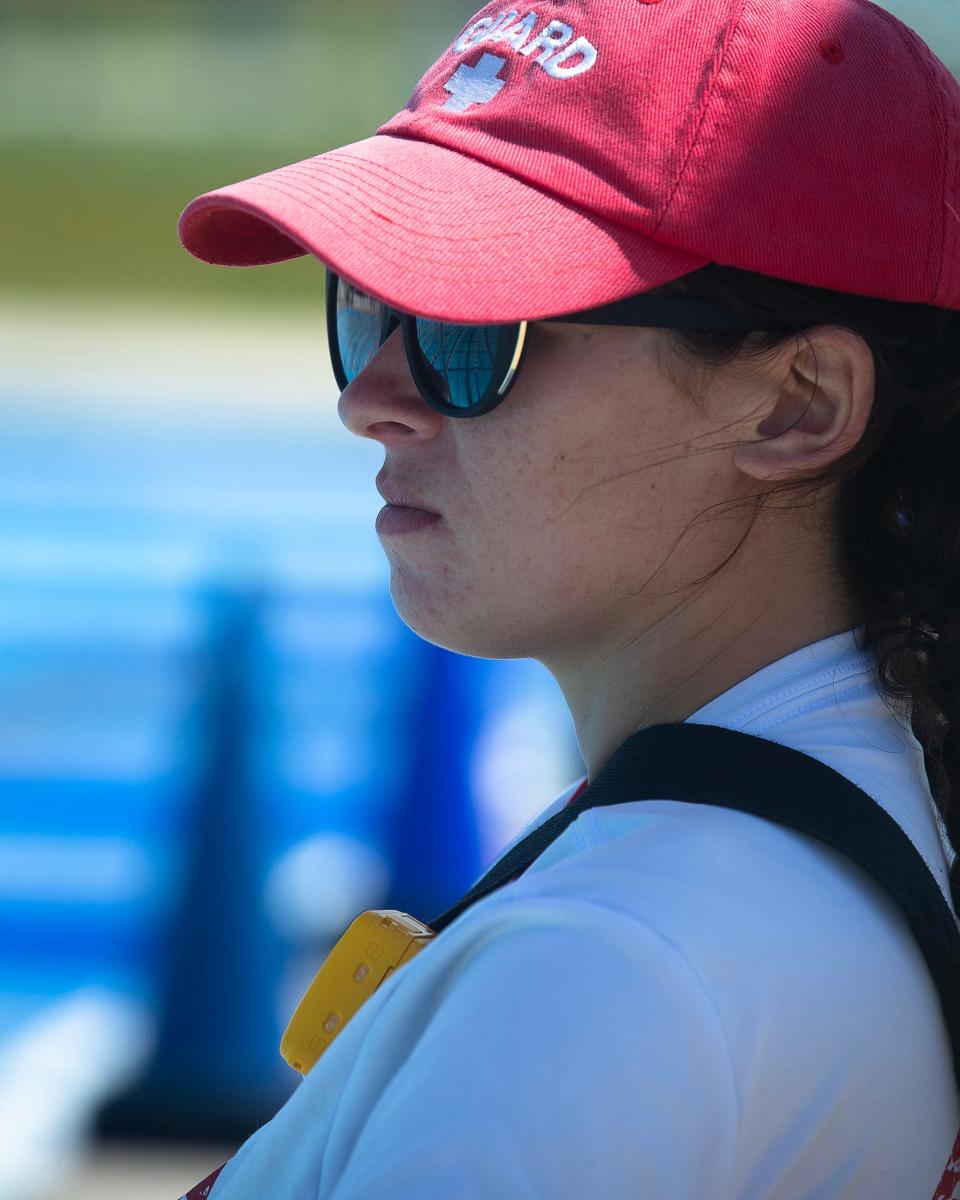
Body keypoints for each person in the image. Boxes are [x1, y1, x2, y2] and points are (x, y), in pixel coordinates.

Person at [176, 1, 960, 1195]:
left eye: (469, 326)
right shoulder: (866, 788)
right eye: (368, 303)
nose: (373, 397)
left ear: (799, 404)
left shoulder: (606, 972)